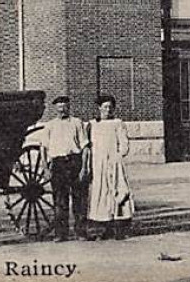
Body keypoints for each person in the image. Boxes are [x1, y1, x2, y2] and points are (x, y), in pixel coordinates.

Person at [38, 95, 88, 241]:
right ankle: (61, 233)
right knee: (60, 200)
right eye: (59, 107)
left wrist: (84, 167)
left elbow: (84, 146)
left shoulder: (77, 123)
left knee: (79, 198)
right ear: (55, 109)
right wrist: (45, 168)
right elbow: (43, 148)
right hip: (58, 164)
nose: (62, 109)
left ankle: (80, 231)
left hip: (74, 161)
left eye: (64, 106)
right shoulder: (50, 125)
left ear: (68, 107)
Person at [85, 94, 135, 239]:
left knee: (118, 193)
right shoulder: (93, 124)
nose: (108, 110)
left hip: (114, 164)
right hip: (98, 164)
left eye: (110, 107)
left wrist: (118, 156)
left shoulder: (118, 123)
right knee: (101, 194)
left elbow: (124, 144)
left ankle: (119, 228)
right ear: (99, 108)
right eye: (105, 107)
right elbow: (88, 145)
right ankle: (103, 228)